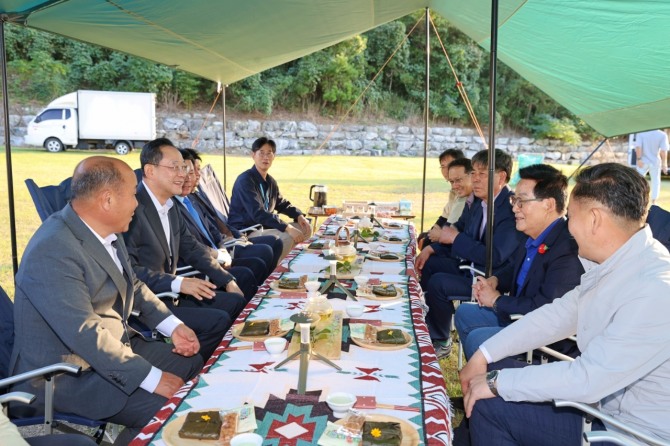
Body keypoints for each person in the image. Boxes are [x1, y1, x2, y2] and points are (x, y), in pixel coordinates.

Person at [459, 163, 670, 446]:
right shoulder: (622, 262)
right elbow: (556, 315)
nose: (568, 227)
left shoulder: (654, 288)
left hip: (630, 433)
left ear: (594, 219)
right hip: (602, 408)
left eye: (571, 216)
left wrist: (497, 382)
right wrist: (483, 355)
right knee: (498, 372)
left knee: (491, 404)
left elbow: (588, 379)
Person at [10, 156, 203, 445]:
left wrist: (171, 325)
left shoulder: (105, 228)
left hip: (114, 346)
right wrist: (151, 378)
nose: (138, 203)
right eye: (133, 194)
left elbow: (133, 285)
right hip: (69, 376)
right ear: (108, 199)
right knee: (170, 410)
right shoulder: (53, 250)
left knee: (191, 363)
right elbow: (84, 332)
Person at [123, 138, 249, 358]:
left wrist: (226, 280)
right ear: (150, 171)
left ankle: (216, 361)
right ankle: (192, 368)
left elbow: (192, 248)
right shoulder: (132, 209)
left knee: (236, 300)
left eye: (183, 167)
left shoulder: (169, 205)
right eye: (175, 167)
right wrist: (178, 282)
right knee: (218, 321)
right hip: (145, 304)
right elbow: (129, 271)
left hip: (170, 294)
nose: (182, 174)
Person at [455, 164, 583, 361]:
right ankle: (486, 375)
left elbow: (544, 310)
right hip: (518, 319)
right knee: (464, 312)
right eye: (514, 200)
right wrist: (496, 280)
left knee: (478, 339)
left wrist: (496, 301)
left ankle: (498, 380)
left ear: (548, 204)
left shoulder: (567, 249)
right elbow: (514, 268)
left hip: (544, 339)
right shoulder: (531, 235)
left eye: (521, 201)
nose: (514, 208)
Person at [417, 149, 523, 359]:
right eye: (473, 173)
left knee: (439, 282)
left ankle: (441, 340)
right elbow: (457, 230)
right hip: (469, 264)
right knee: (430, 264)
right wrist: (431, 247)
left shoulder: (509, 209)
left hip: (492, 277)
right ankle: (425, 322)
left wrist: (455, 239)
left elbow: (495, 256)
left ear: (501, 177)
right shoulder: (478, 202)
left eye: (482, 174)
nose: (475, 179)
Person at [175, 149, 273, 284]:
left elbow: (213, 228)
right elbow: (191, 247)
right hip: (201, 267)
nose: (190, 177)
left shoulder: (191, 199)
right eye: (184, 173)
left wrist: (222, 249)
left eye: (192, 172)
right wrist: (219, 256)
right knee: (251, 267)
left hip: (221, 251)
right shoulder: (172, 207)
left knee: (262, 256)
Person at [228, 137, 312, 260]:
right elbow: (258, 213)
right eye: (261, 153)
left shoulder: (270, 181)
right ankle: (274, 271)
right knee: (288, 236)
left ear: (274, 156)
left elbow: (281, 203)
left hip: (265, 228)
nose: (265, 157)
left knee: (304, 228)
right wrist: (287, 227)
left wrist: (299, 216)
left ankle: (287, 262)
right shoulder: (245, 180)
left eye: (269, 153)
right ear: (253, 155)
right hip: (248, 231)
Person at [417, 149, 466, 249]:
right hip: (449, 230)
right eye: (443, 166)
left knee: (425, 244)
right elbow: (444, 216)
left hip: (455, 237)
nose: (446, 170)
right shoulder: (453, 191)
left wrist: (435, 236)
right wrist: (432, 232)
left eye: (450, 165)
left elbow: (453, 224)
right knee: (423, 238)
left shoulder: (464, 192)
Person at [634, 129, 669, 205]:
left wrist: (639, 159)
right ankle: (654, 201)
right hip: (655, 161)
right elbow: (663, 151)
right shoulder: (662, 135)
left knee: (637, 180)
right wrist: (664, 164)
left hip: (642, 161)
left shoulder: (641, 133)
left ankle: (637, 198)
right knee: (656, 181)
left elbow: (638, 147)